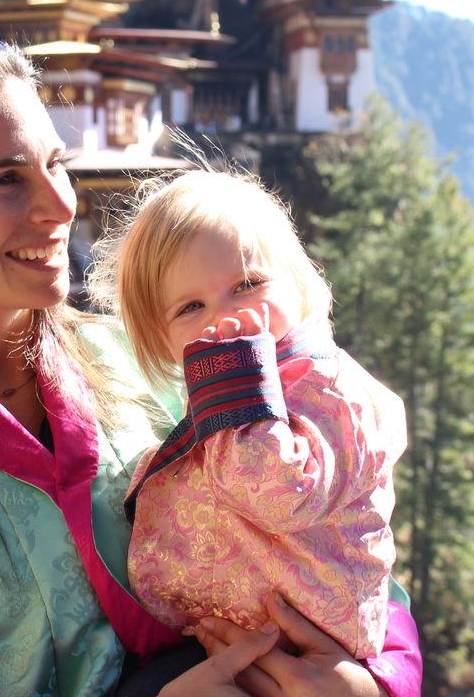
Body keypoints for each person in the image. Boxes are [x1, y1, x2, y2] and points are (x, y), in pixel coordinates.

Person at [0, 30, 422, 696]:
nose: (61, 204)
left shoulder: (155, 362)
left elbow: (346, 533)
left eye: (56, 165)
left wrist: (377, 678)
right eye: (7, 180)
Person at [89, 170, 407, 660]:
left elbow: (279, 494)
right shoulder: (217, 392)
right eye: (191, 306)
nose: (226, 317)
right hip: (233, 640)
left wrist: (236, 380)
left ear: (298, 282)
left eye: (248, 283)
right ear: (160, 336)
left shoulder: (330, 391)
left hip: (306, 648)